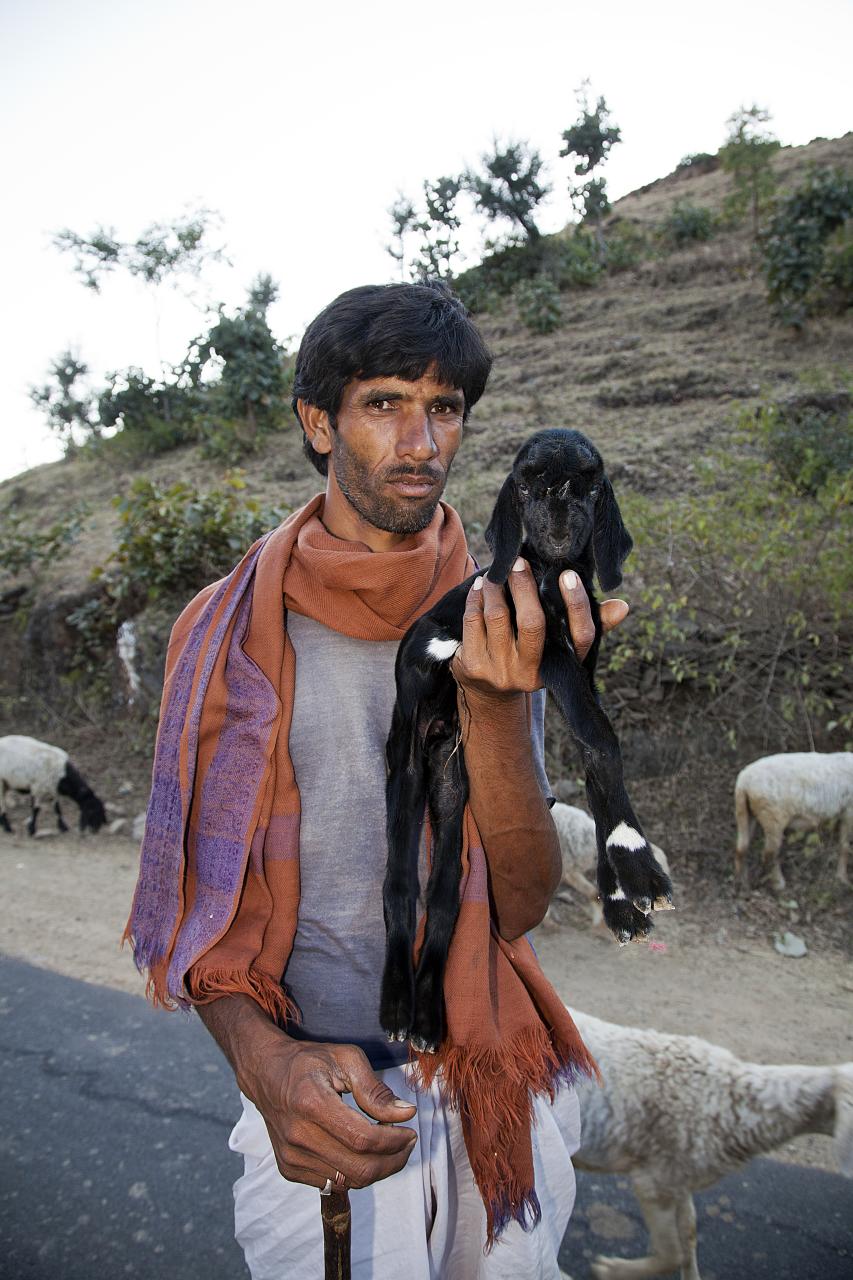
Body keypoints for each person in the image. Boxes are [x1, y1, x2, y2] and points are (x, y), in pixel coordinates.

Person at [126, 281, 628, 1279]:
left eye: (443, 408)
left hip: (491, 1077)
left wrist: (489, 702)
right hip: (318, 1094)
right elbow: (201, 916)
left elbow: (518, 901)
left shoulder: (497, 614)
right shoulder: (216, 633)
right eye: (386, 402)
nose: (421, 440)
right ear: (319, 421)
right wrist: (268, 1069)